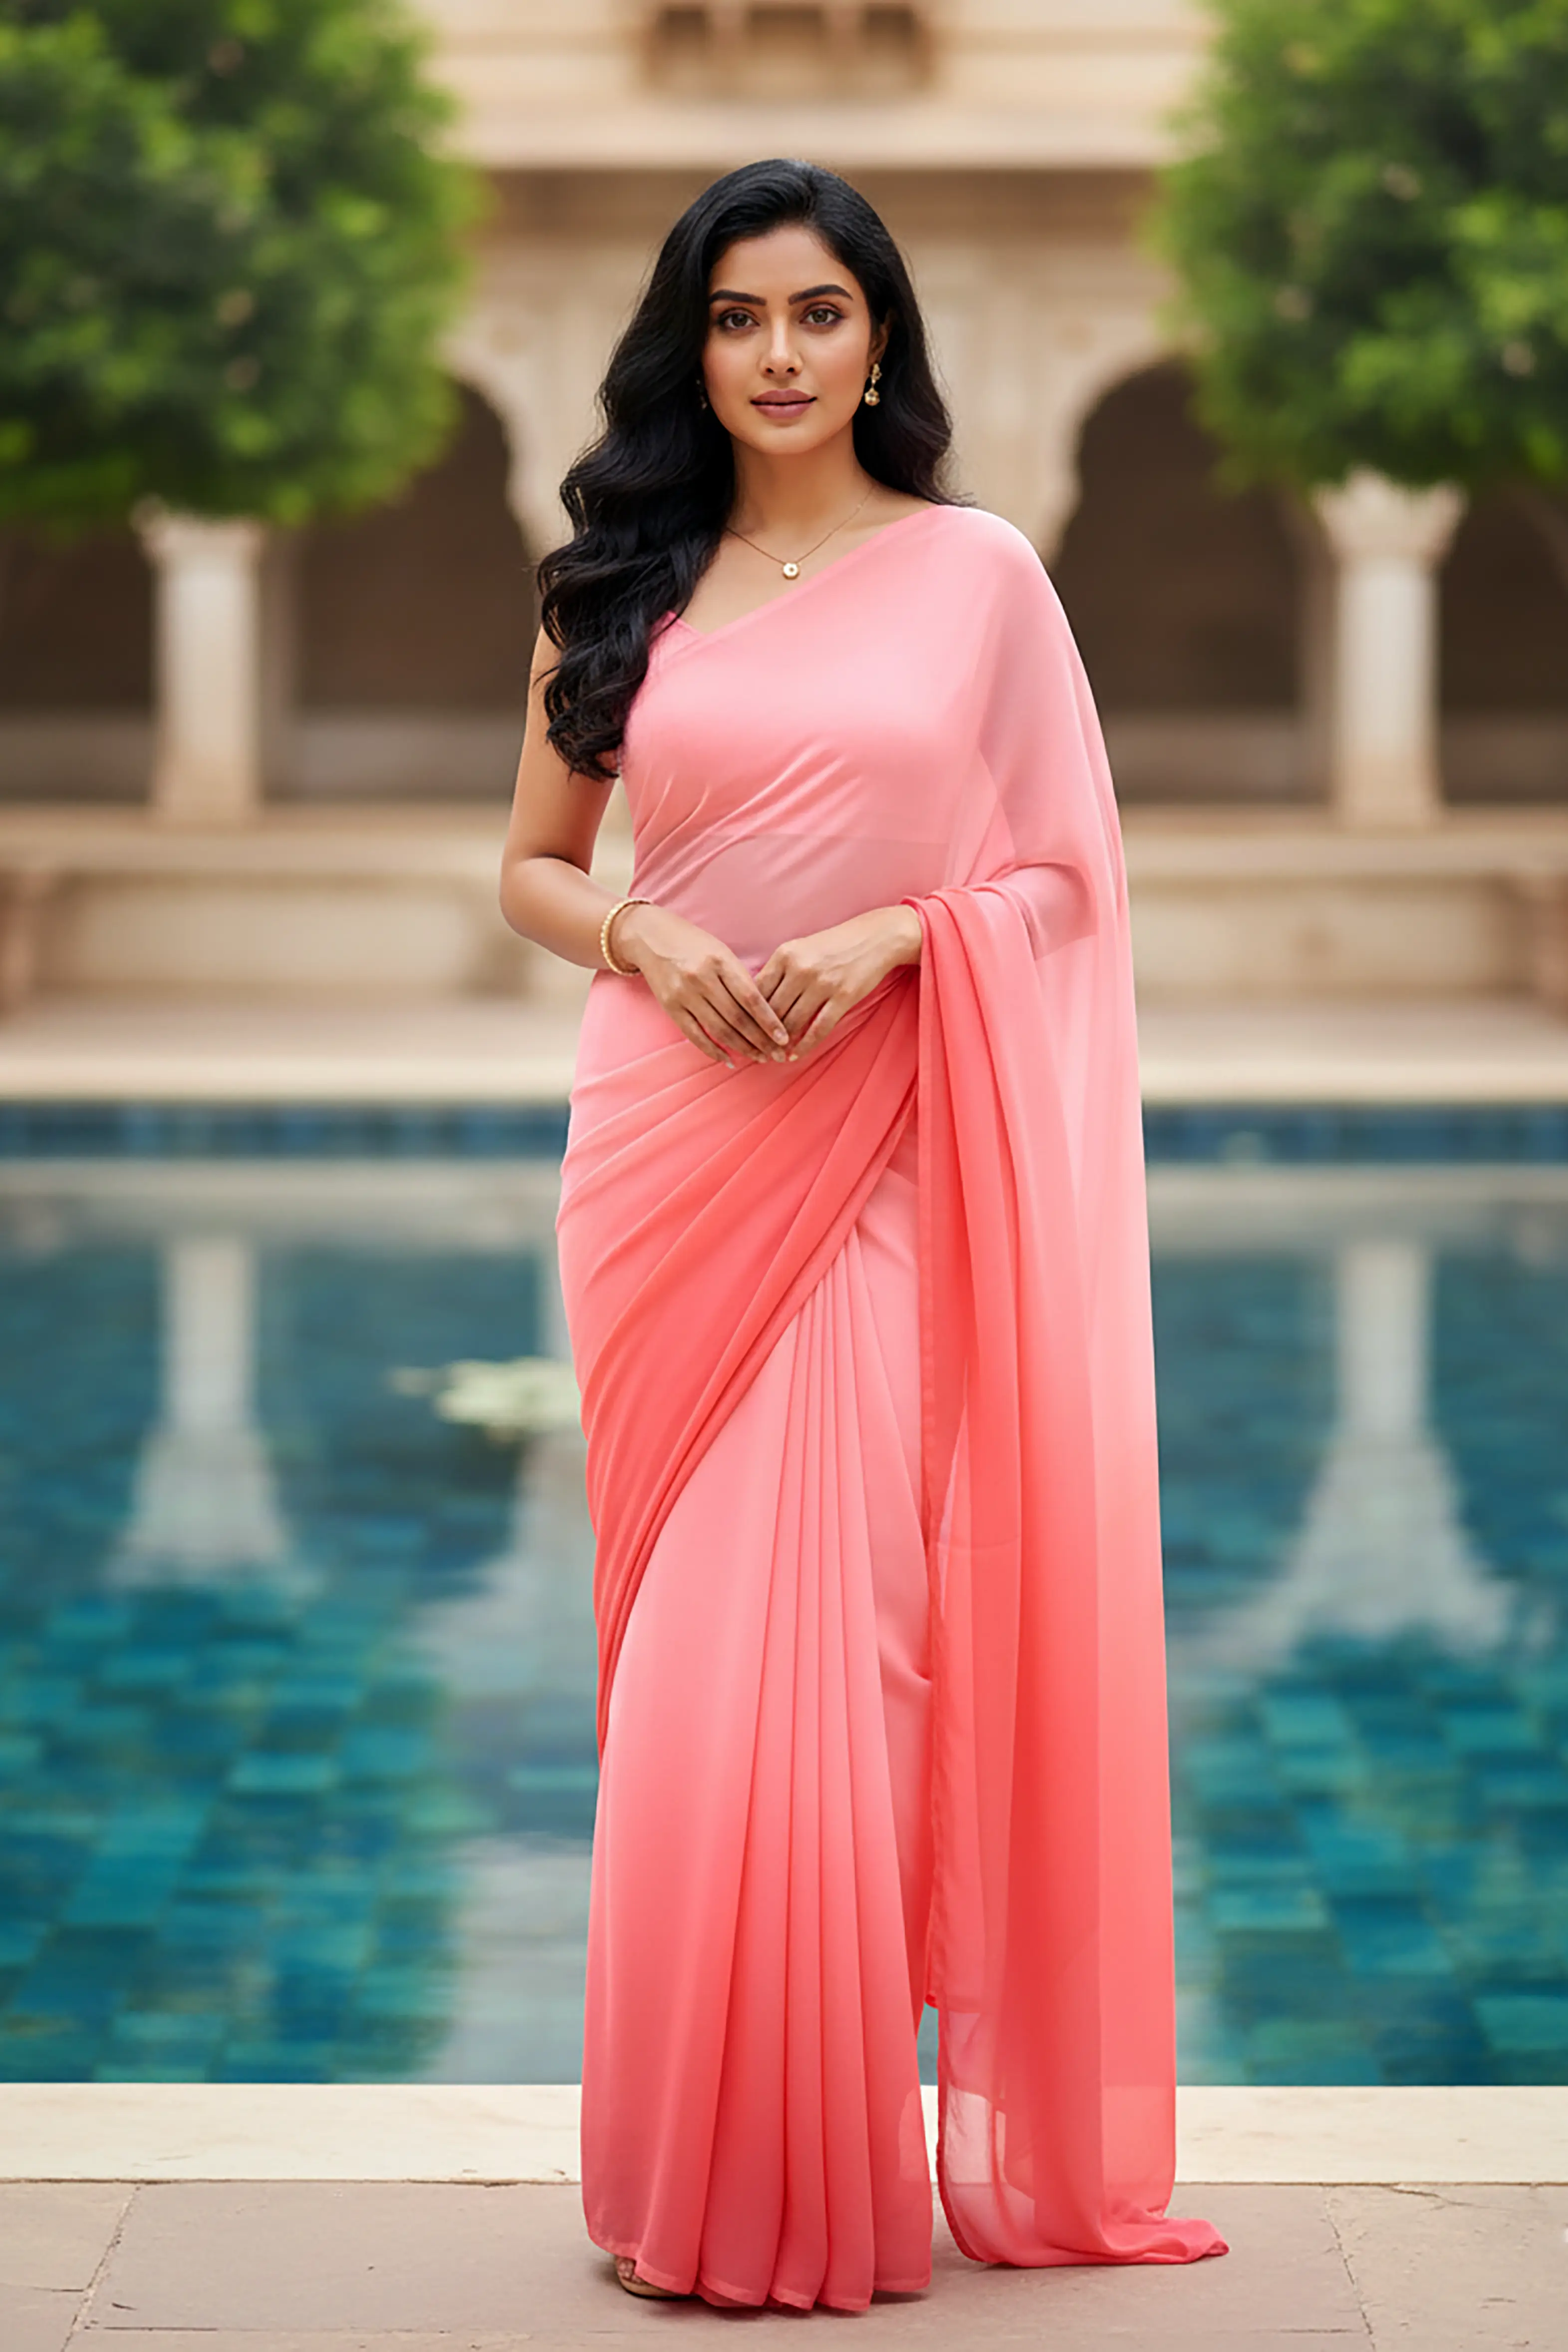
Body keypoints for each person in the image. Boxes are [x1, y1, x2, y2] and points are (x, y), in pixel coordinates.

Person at [498, 156, 1226, 2315]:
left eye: (817, 312)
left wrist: (894, 935)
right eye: (736, 318)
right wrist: (643, 930)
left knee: (851, 1649)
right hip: (664, 1149)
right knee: (695, 1677)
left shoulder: (979, 576)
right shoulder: (616, 582)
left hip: (886, 1148)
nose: (779, 353)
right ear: (688, 347)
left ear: (879, 339)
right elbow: (533, 865)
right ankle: (690, 2171)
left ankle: (818, 2177)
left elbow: (1065, 876)